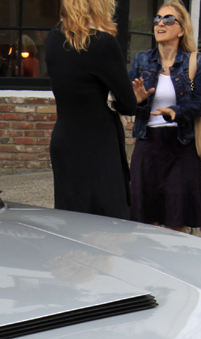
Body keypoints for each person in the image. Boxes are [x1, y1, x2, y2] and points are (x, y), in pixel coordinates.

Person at [45, 0, 138, 219]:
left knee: (72, 222)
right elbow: (128, 104)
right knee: (108, 225)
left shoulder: (52, 39)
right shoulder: (103, 44)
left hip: (65, 139)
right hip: (98, 144)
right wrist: (127, 98)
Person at [127, 0, 201, 230]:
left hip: (181, 146)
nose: (160, 24)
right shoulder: (141, 60)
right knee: (147, 223)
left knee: (176, 222)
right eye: (157, 19)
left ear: (181, 29)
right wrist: (139, 102)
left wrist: (177, 112)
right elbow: (128, 105)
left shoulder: (195, 61)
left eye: (168, 19)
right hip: (148, 147)